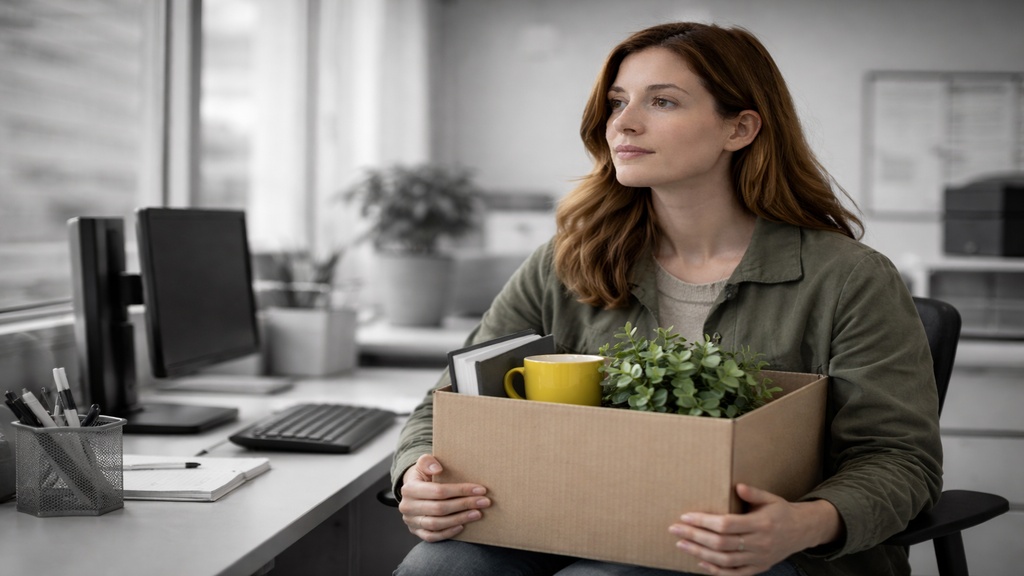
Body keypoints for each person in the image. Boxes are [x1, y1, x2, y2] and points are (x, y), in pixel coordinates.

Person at [390, 21, 942, 576]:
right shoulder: (567, 260)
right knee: (436, 568)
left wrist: (802, 522)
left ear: (740, 128)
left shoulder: (850, 278)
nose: (623, 123)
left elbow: (899, 460)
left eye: (663, 102)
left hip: (768, 551)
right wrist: (418, 475)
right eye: (617, 102)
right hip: (578, 522)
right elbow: (445, 407)